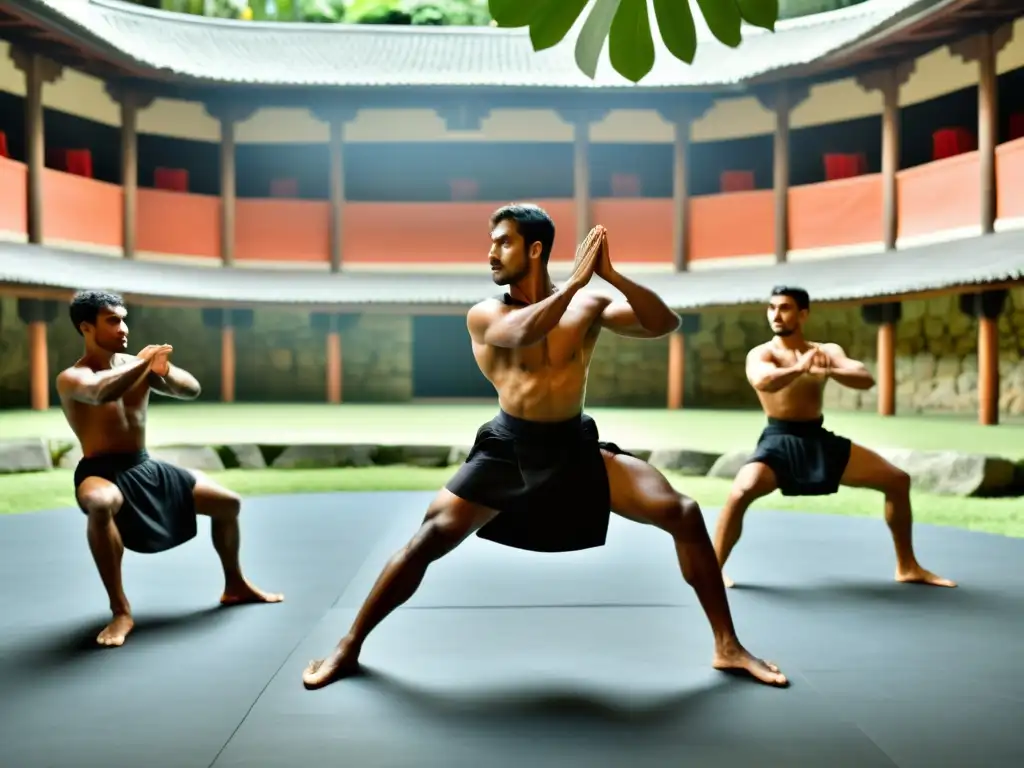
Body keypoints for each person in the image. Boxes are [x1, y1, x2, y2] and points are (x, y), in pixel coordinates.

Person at [303, 204, 788, 691]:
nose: (491, 253)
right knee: (429, 537)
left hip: (573, 443)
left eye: (504, 242)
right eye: (491, 242)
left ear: (535, 249)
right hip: (510, 448)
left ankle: (727, 645)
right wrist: (577, 285)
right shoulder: (486, 313)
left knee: (682, 512)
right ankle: (348, 646)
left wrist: (612, 276)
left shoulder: (587, 306)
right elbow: (522, 332)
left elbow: (663, 322)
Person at [56, 290, 283, 648]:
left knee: (228, 503)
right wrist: (141, 365)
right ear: (86, 327)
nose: (123, 328)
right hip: (101, 470)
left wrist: (167, 371)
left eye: (123, 318)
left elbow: (190, 390)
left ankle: (235, 585)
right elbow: (101, 394)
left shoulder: (135, 365)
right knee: (101, 505)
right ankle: (121, 611)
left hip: (143, 465)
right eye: (112, 320)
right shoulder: (73, 377)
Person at [712, 285, 956, 589]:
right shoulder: (763, 353)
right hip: (778, 438)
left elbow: (864, 377)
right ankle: (712, 571)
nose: (776, 314)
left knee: (897, 480)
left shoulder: (825, 351)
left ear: (803, 314)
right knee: (740, 493)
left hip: (817, 437)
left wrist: (830, 371)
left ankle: (907, 566)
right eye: (772, 308)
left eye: (785, 308)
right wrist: (800, 368)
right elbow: (764, 381)